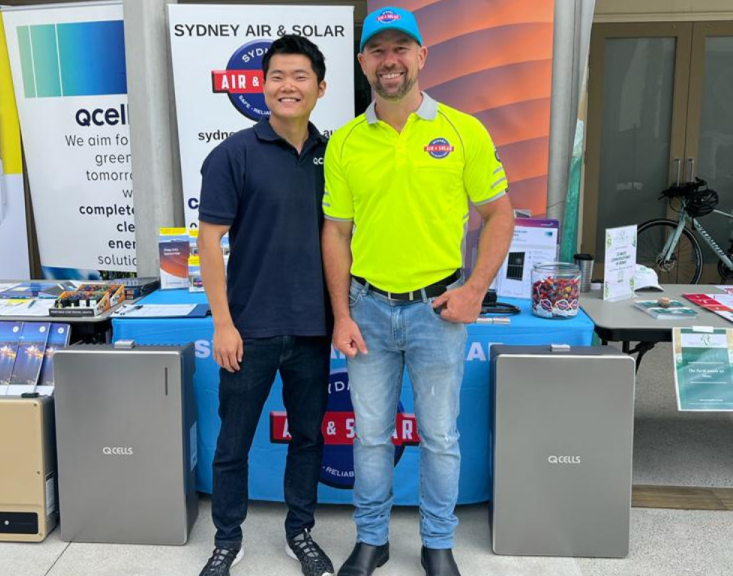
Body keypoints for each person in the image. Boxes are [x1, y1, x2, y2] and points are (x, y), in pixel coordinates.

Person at [321, 7, 515, 576]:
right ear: (362, 62)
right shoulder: (346, 143)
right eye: (377, 50)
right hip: (368, 310)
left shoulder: (462, 131)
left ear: (422, 56)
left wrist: (476, 288)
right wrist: (341, 314)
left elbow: (500, 215)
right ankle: (372, 540)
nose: (390, 60)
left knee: (439, 437)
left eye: (401, 48)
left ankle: (437, 544)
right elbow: (336, 232)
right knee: (372, 438)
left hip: (439, 311)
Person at [197, 34, 335, 576]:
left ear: (320, 88)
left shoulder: (335, 156)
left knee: (307, 439)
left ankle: (300, 532)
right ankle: (226, 540)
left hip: (313, 329)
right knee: (233, 443)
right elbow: (209, 244)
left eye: (300, 76)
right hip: (248, 329)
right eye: (277, 76)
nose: (288, 86)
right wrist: (224, 324)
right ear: (262, 85)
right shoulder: (232, 154)